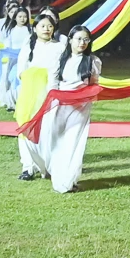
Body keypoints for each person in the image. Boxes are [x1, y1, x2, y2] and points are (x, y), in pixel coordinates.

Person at [34, 24, 101, 193]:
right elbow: (53, 82)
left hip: (80, 108)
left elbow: (94, 84)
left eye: (86, 39)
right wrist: (55, 99)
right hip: (60, 105)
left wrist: (85, 97)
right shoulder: (60, 58)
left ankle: (68, 181)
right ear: (70, 40)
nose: (82, 43)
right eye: (79, 39)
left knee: (74, 143)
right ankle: (58, 174)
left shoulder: (92, 61)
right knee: (55, 142)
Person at [15, 12, 68, 182]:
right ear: (35, 28)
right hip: (29, 94)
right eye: (43, 26)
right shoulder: (29, 46)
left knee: (48, 129)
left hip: (50, 93)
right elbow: (21, 71)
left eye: (50, 26)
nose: (46, 29)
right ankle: (28, 167)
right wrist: (34, 78)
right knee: (26, 128)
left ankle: (47, 165)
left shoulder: (59, 47)